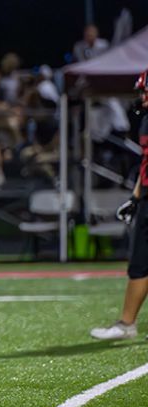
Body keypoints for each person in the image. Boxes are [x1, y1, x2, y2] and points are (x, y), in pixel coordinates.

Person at [90, 70, 148, 340]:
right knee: (139, 262)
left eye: (145, 91)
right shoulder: (145, 120)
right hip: (146, 196)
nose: (142, 96)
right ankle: (127, 324)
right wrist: (135, 198)